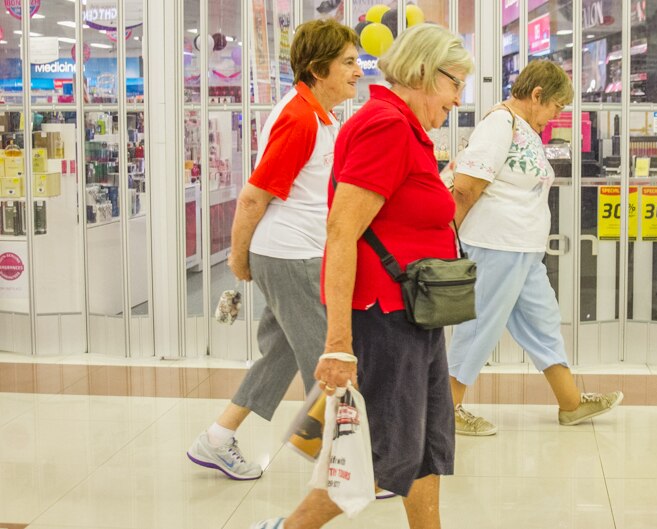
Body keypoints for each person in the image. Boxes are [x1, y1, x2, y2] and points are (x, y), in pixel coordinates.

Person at [252, 23, 472, 529]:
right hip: (384, 316)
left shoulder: (406, 127)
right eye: (454, 83)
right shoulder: (387, 125)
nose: (458, 99)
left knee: (426, 447)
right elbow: (341, 229)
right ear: (423, 72)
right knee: (379, 457)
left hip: (414, 313)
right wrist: (338, 343)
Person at [186, 19, 362, 480]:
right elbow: (253, 196)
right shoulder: (299, 118)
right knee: (329, 359)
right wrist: (238, 257)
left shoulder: (321, 115)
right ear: (318, 68)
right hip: (290, 257)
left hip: (299, 253)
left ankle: (217, 439)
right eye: (348, 62)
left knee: (280, 353)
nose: (358, 70)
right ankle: (340, 468)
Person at [447, 60, 623, 436]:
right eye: (556, 107)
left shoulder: (524, 128)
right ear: (537, 95)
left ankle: (571, 404)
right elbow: (465, 187)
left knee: (544, 325)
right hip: (496, 244)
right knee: (479, 327)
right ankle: (447, 407)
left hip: (524, 250)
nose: (557, 117)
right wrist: (449, 242)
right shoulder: (499, 124)